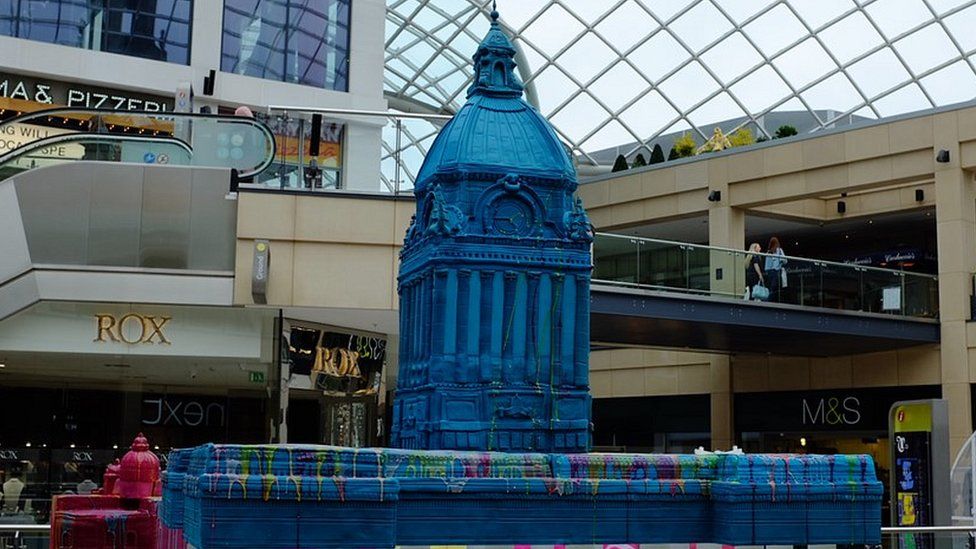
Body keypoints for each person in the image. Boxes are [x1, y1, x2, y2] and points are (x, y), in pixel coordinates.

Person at [764, 236, 788, 301]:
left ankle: (768, 299)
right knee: (776, 287)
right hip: (776, 271)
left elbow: (767, 265)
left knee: (771, 287)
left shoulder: (768, 252)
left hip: (769, 272)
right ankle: (771, 300)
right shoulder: (779, 250)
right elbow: (785, 260)